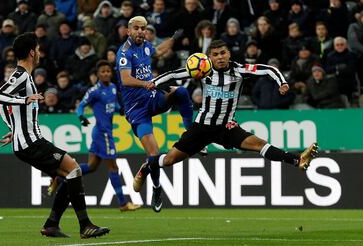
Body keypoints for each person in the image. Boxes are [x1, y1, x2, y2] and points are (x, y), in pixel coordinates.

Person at [133, 40, 319, 212]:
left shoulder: (239, 70)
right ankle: (146, 168)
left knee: (259, 144)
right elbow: (174, 74)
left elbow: (269, 69)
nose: (220, 57)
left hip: (226, 127)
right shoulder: (202, 70)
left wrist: (282, 82)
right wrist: (153, 83)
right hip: (202, 127)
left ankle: (297, 160)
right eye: (215, 54)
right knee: (168, 161)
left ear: (229, 54)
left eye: (222, 53)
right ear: (209, 57)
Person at [0, 32, 109, 238]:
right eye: (37, 49)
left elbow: (8, 107)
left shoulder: (24, 75)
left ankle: (52, 224)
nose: (39, 52)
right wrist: (25, 101)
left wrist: (14, 128)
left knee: (69, 174)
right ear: (31, 52)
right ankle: (84, 225)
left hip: (27, 141)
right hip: (31, 142)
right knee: (73, 168)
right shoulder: (20, 74)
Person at [115, 16, 190, 212]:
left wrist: (173, 38)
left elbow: (159, 52)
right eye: (137, 28)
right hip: (136, 109)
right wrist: (146, 83)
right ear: (129, 31)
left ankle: (191, 133)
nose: (140, 31)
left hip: (152, 97)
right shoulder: (124, 52)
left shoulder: (146, 46)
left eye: (143, 28)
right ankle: (156, 188)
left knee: (181, 92)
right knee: (154, 154)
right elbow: (125, 79)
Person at [49, 60, 141, 212]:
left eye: (108, 71)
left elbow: (113, 106)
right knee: (113, 167)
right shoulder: (95, 91)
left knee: (91, 166)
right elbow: (81, 106)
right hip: (102, 133)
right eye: (103, 71)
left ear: (111, 73)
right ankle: (123, 204)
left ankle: (61, 177)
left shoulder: (112, 88)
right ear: (98, 74)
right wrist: (81, 117)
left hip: (103, 132)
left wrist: (121, 110)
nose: (106, 73)